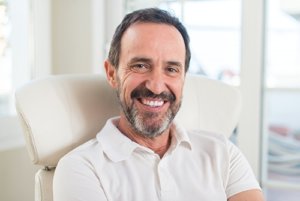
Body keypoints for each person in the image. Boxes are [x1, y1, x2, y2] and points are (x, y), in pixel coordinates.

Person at [53, 8, 264, 201]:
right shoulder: (81, 167)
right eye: (141, 65)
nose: (156, 86)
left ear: (183, 78)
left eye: (171, 69)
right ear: (111, 73)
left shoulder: (222, 153)